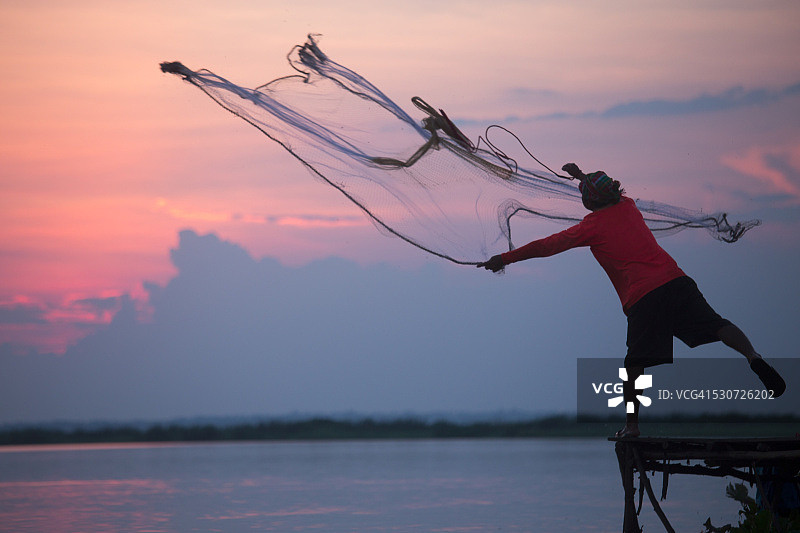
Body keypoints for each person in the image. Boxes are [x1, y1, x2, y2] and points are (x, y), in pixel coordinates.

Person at [478, 163, 786, 438]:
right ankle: (753, 356)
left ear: (590, 202)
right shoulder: (628, 207)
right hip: (678, 281)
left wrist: (505, 258)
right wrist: (581, 175)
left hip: (644, 296)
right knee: (718, 326)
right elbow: (604, 193)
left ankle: (633, 426)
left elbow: (547, 246)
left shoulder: (591, 227)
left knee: (635, 363)